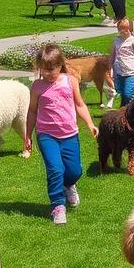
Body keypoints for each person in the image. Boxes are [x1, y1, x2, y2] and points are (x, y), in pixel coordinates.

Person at [27, 43, 99, 225]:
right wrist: (27, 135)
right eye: (44, 70)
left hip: (69, 134)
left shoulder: (70, 81)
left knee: (75, 170)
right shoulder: (37, 87)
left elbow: (80, 104)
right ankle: (58, 206)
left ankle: (69, 185)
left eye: (52, 69)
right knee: (55, 169)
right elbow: (32, 111)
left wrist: (90, 123)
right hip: (46, 135)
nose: (48, 73)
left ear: (60, 65)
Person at [110, 16, 134, 106]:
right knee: (121, 92)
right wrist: (110, 67)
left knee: (128, 94)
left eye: (126, 30)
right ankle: (124, 109)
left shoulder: (133, 40)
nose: (123, 32)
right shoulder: (116, 40)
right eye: (120, 30)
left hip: (130, 72)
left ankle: (129, 108)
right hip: (119, 71)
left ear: (130, 29)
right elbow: (112, 55)